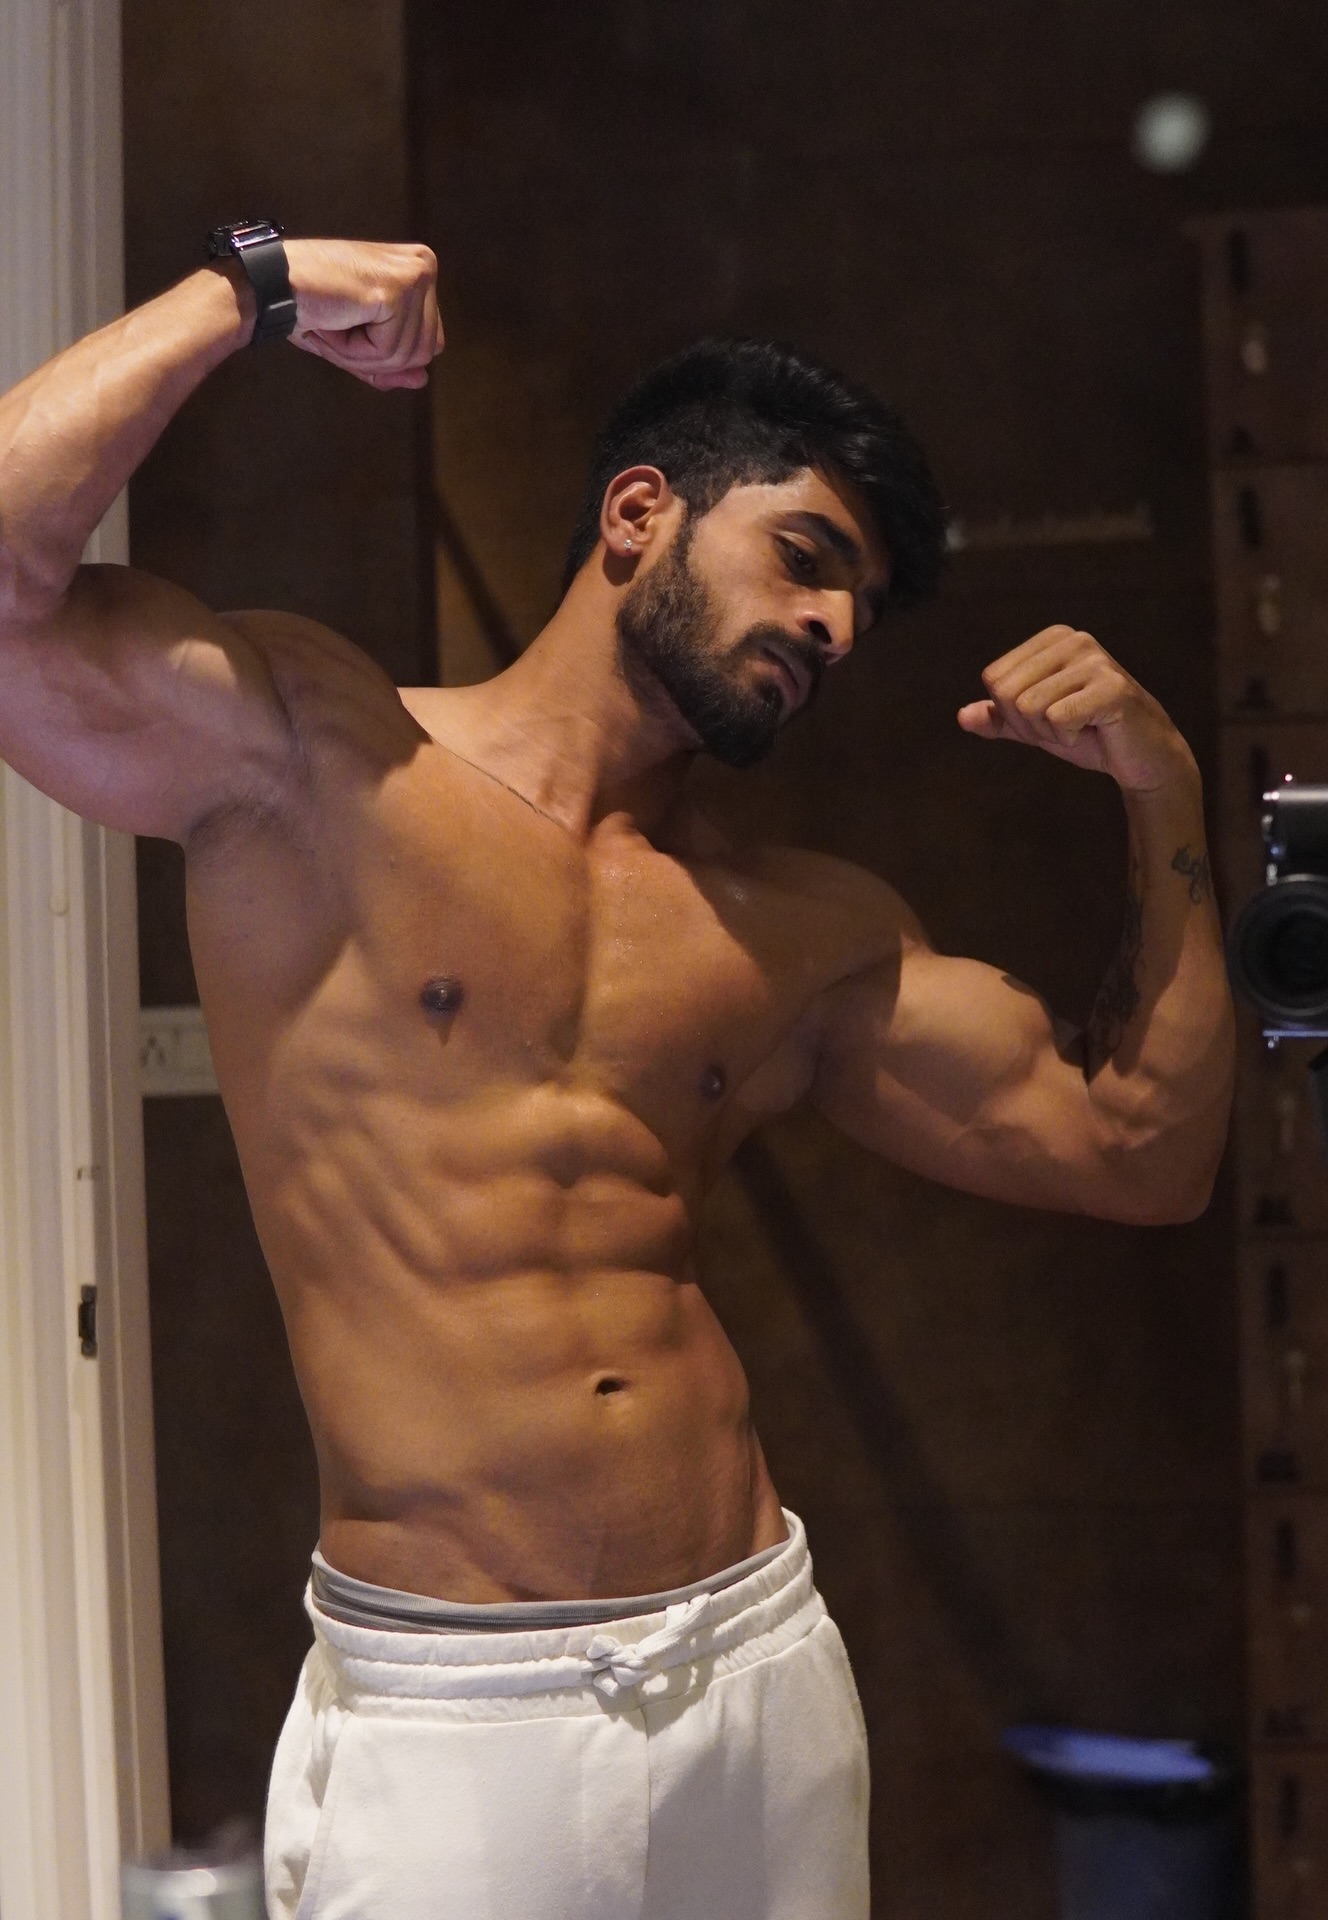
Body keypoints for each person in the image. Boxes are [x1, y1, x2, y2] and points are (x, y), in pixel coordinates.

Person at [0, 237, 1234, 1919]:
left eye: (858, 609)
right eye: (806, 559)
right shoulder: (316, 761)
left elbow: (1142, 1151)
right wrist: (250, 288)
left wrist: (1162, 784)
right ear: (641, 512)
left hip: (758, 1666)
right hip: (456, 1715)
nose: (831, 626)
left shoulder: (791, 934)